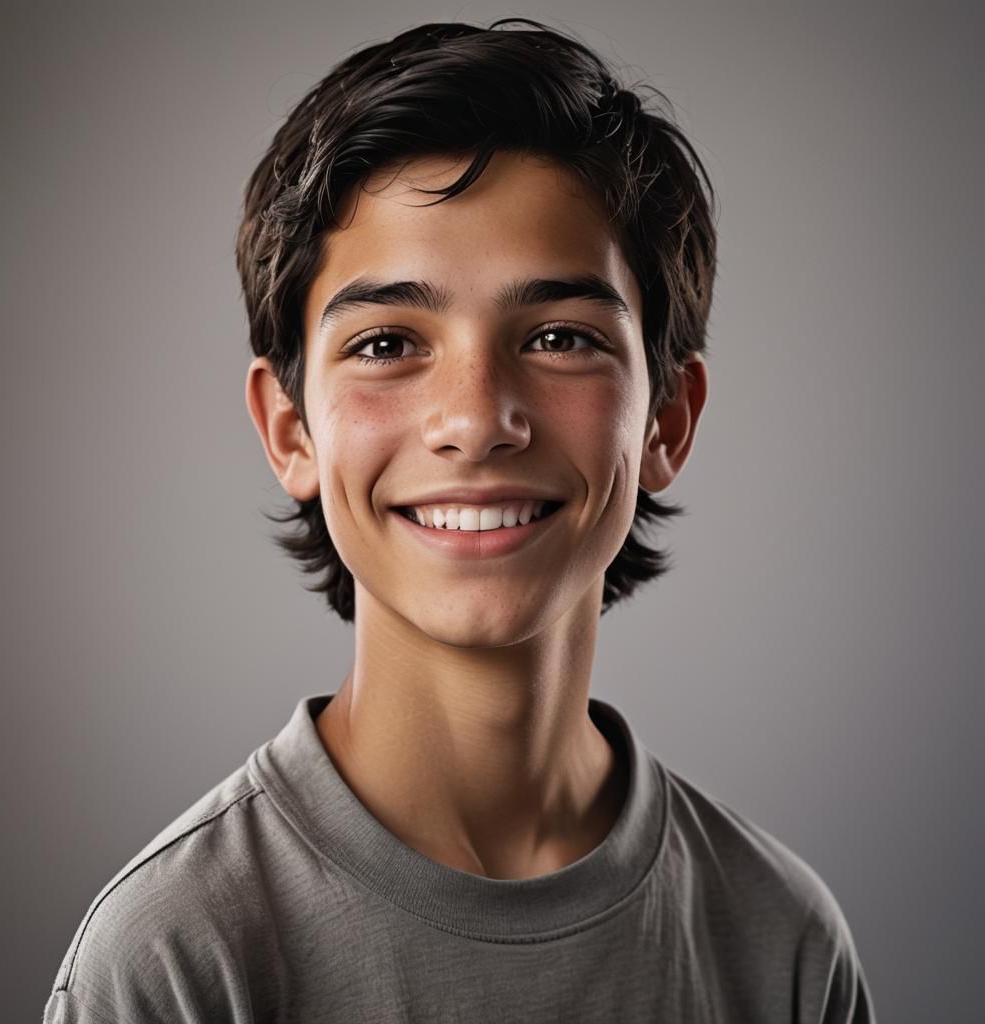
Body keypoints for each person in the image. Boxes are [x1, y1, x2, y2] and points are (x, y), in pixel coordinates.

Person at [43, 18, 876, 1023]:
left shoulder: (779, 942)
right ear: (288, 429)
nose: (477, 419)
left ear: (667, 419)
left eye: (560, 336)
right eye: (389, 341)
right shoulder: (175, 960)